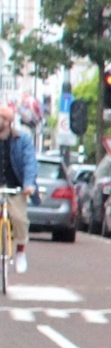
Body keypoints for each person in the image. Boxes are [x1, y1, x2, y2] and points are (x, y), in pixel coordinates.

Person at [0, 103, 35, 281]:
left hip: (15, 188)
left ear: (9, 121)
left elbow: (30, 163)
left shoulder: (22, 139)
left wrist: (28, 184)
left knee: (20, 219)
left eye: (2, 118)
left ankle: (20, 251)